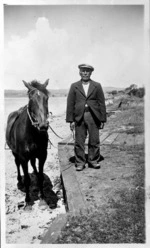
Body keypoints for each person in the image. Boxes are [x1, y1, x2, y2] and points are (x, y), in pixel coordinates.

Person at [66, 64, 107, 171]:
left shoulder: (97, 85)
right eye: (83, 71)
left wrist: (102, 119)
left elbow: (101, 103)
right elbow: (70, 104)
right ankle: (80, 162)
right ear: (79, 72)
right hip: (79, 116)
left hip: (93, 116)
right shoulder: (74, 86)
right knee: (79, 141)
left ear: (91, 73)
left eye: (87, 71)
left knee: (94, 140)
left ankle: (93, 160)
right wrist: (70, 120)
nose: (85, 73)